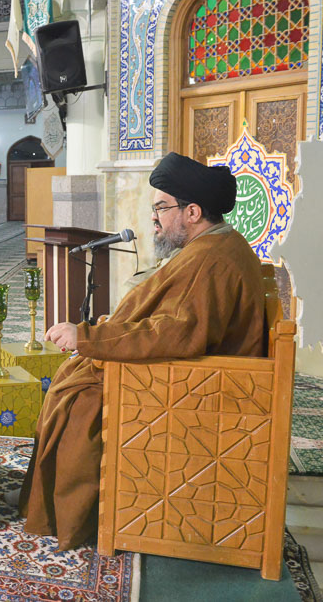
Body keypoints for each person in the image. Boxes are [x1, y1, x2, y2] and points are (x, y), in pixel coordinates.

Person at [16, 152, 266, 550]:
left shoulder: (211, 260)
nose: (154, 218)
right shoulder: (212, 246)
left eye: (161, 208)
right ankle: (45, 500)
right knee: (73, 376)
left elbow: (174, 334)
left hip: (202, 390)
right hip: (198, 375)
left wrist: (88, 338)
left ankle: (73, 517)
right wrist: (100, 333)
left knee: (79, 399)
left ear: (192, 212)